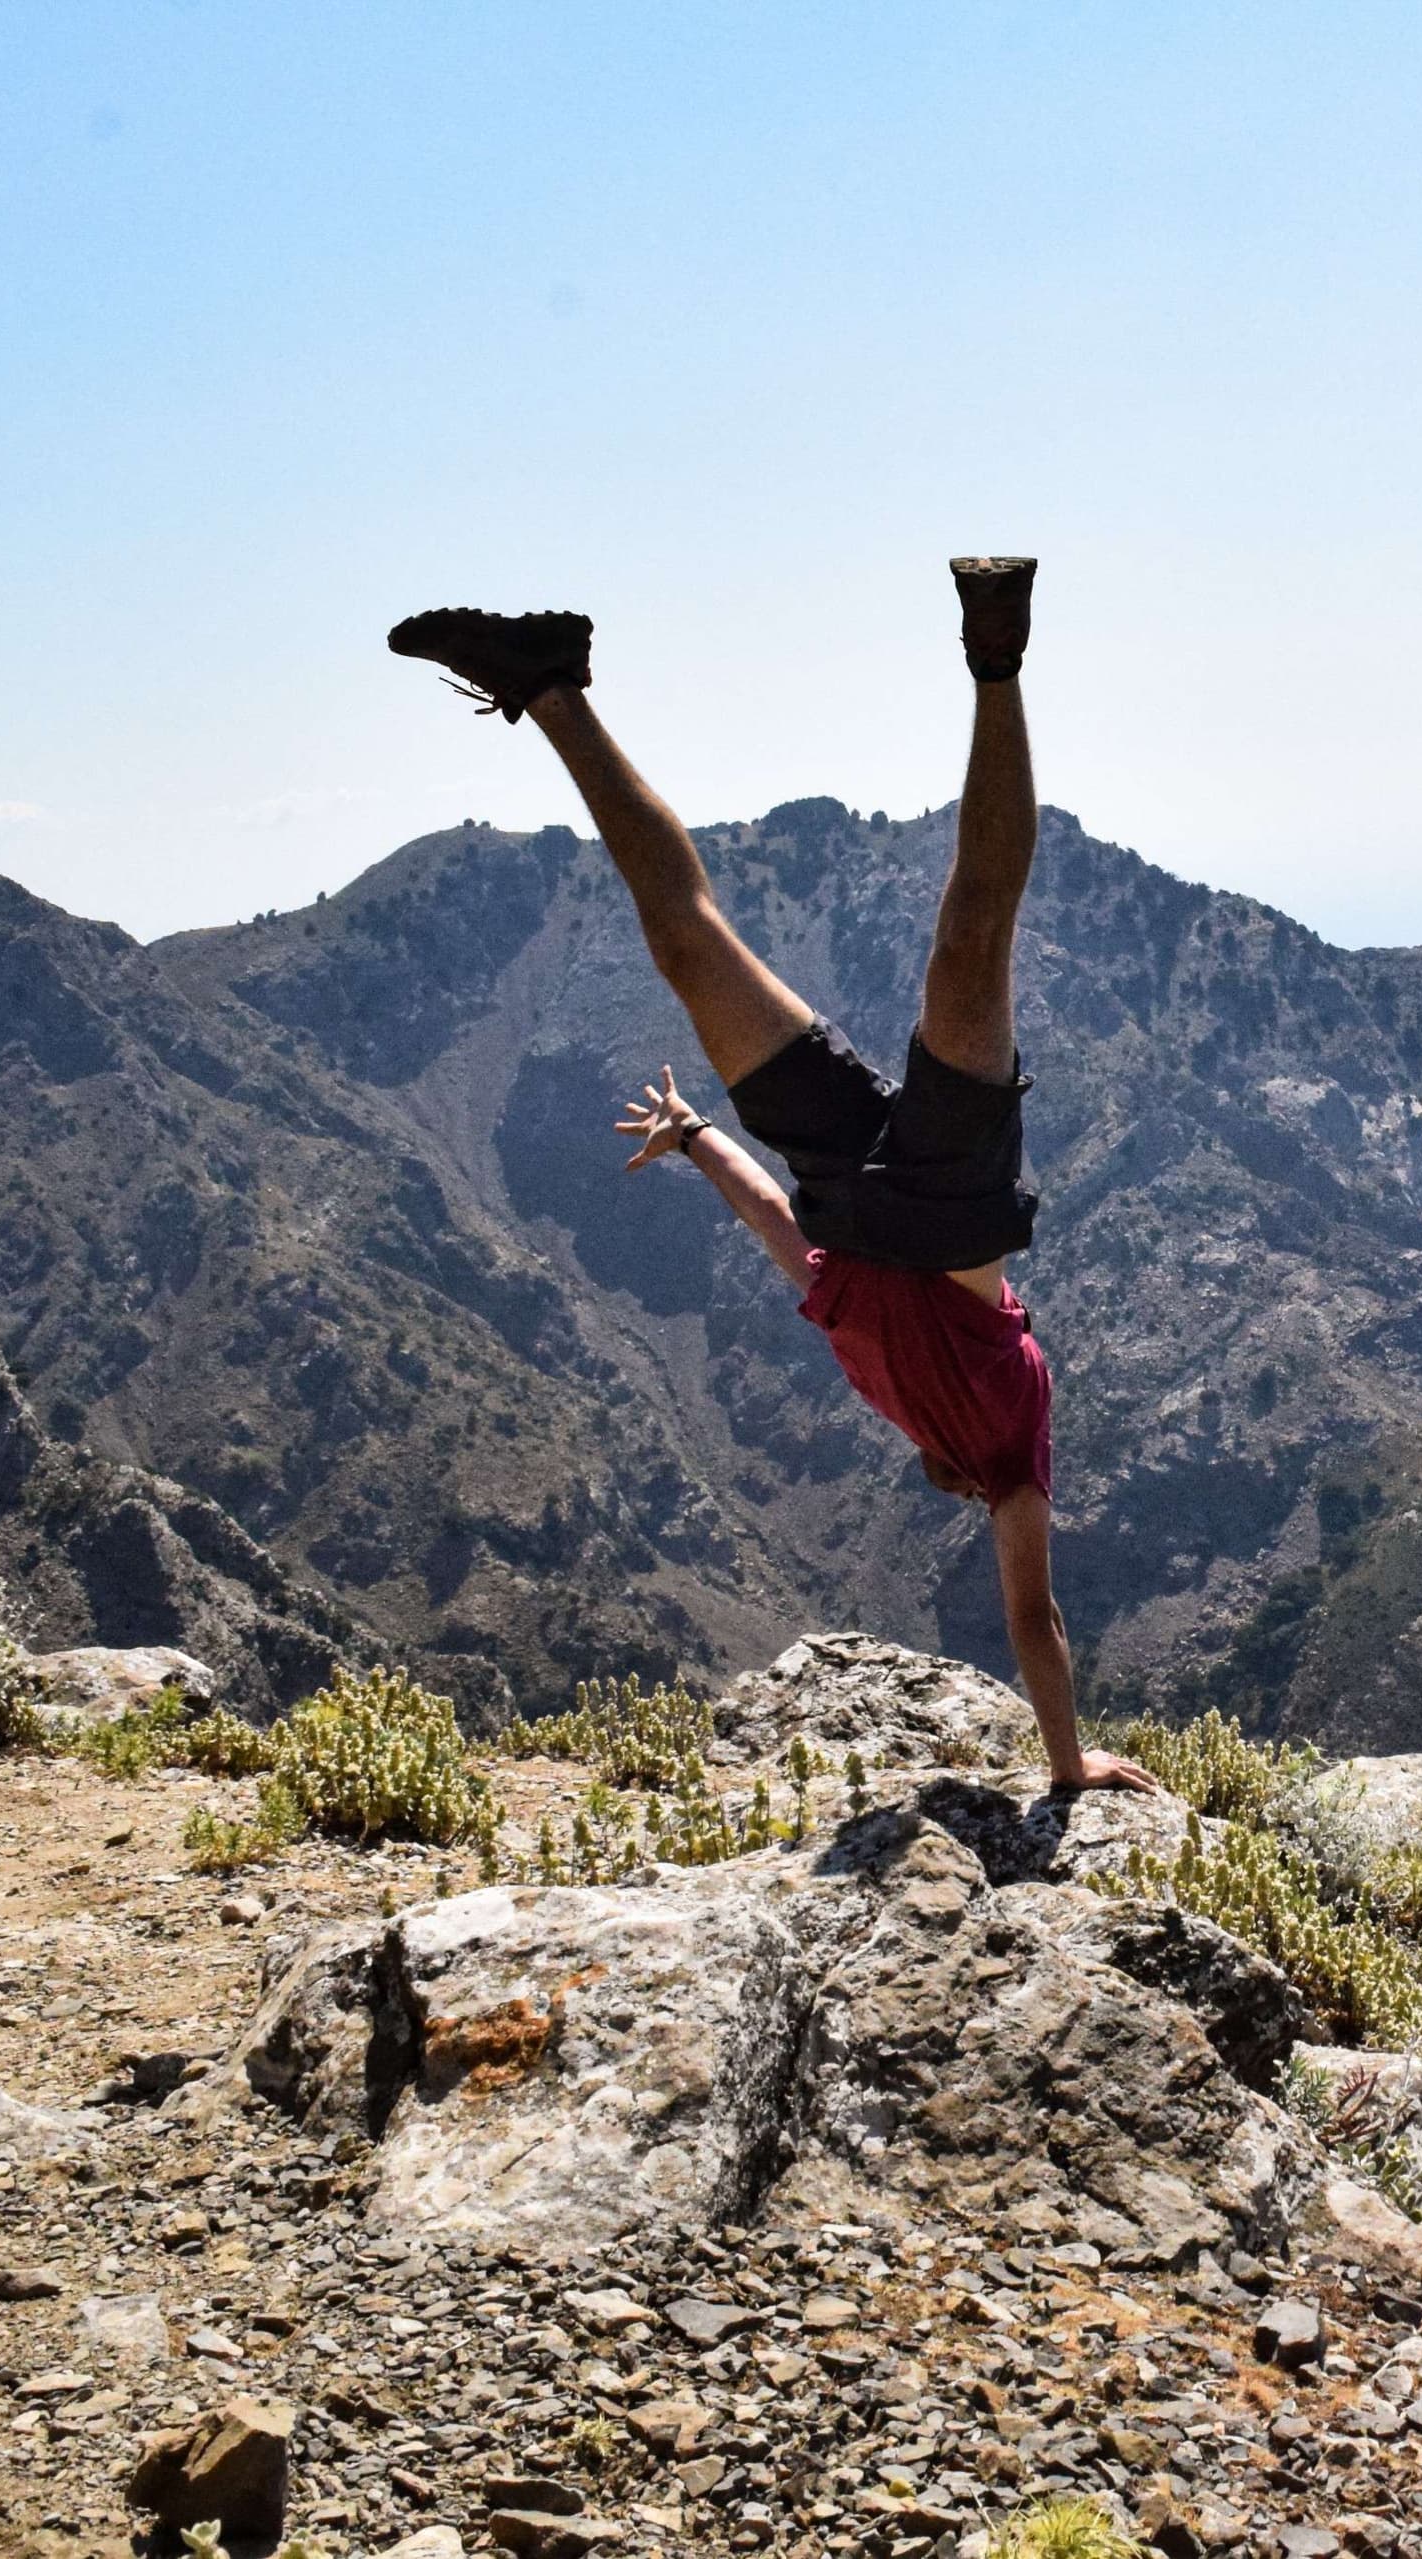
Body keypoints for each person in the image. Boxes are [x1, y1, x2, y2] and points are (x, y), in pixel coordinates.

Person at [385, 564, 1153, 1794]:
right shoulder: (1012, 1462)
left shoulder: (888, 1384)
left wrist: (696, 1139)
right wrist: (1069, 1768)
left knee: (685, 941)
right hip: (952, 1196)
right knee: (975, 932)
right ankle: (997, 658)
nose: (941, 1481)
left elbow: (787, 1235)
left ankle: (550, 687)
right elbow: (1035, 1626)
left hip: (847, 1186)